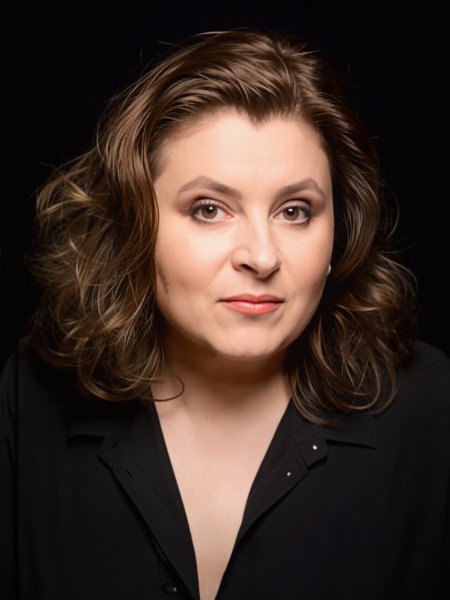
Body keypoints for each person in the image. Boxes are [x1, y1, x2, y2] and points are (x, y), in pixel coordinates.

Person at [1, 28, 449, 600]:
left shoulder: (433, 412)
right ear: (133, 223)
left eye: (295, 211)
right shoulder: (29, 396)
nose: (261, 257)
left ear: (340, 229)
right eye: (209, 209)